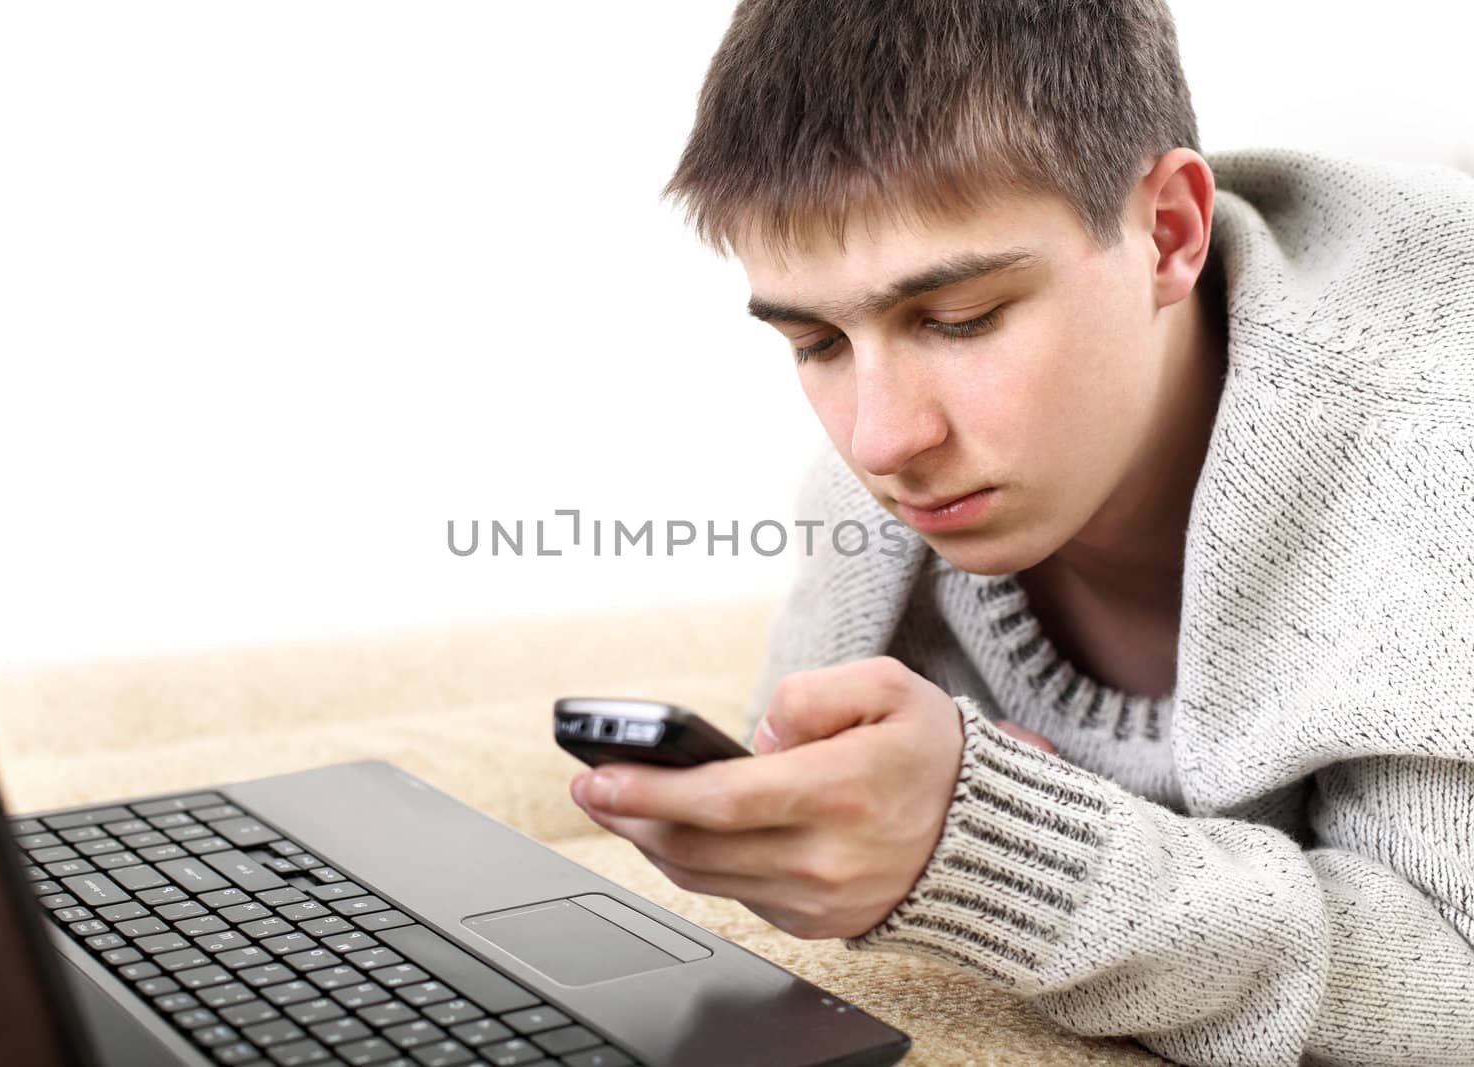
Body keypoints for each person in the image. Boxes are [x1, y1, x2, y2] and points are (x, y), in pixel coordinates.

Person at [566, 1, 1474, 1064]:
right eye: (814, 340)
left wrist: (1001, 848)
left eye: (956, 320)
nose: (882, 436)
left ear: (1166, 232)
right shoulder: (868, 487)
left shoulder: (1433, 450)